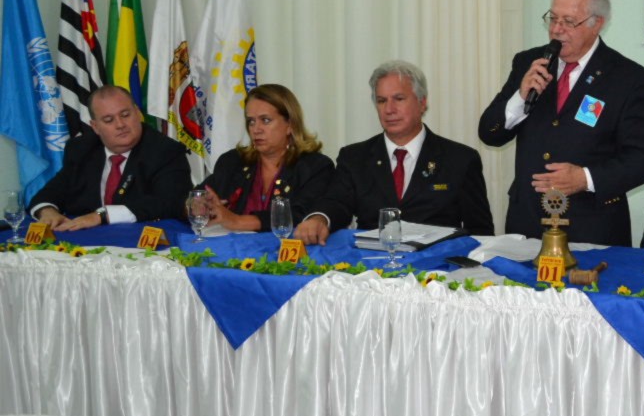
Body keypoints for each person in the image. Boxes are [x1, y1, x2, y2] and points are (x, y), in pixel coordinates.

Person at [479, 0, 644, 246]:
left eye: (568, 21)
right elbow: (489, 133)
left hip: (592, 229)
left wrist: (584, 178)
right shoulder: (529, 62)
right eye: (553, 18)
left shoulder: (628, 78)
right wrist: (520, 96)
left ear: (596, 23)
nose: (556, 29)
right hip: (527, 224)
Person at [295, 61, 493, 244]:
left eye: (399, 99)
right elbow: (336, 202)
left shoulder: (460, 159)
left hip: (437, 265)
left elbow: (480, 231)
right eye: (381, 101)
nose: (389, 109)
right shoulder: (354, 157)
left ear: (422, 103)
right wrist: (319, 218)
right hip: (371, 264)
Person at [29, 85, 189, 230]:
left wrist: (101, 215)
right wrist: (47, 211)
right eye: (109, 120)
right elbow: (52, 191)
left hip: (140, 241)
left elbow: (169, 202)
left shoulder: (166, 151)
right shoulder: (80, 149)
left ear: (137, 113)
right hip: (86, 241)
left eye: (125, 115)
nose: (120, 124)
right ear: (95, 127)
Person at [201, 84, 334, 231]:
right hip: (233, 244)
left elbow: (303, 216)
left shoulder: (314, 167)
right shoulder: (233, 161)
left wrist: (238, 221)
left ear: (290, 125)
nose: (256, 129)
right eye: (251, 121)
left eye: (265, 120)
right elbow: (197, 196)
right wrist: (197, 205)